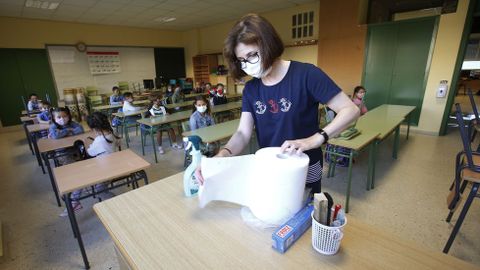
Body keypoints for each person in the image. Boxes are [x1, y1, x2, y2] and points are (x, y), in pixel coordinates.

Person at [195, 14, 359, 194]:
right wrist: (222, 155)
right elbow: (243, 133)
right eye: (242, 60)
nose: (248, 64)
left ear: (268, 45)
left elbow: (350, 110)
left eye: (252, 55)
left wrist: (315, 139)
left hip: (305, 163)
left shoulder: (306, 75)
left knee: (304, 211)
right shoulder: (251, 89)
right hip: (271, 165)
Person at [59, 112, 120, 217]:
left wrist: (87, 143)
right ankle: (74, 201)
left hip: (105, 171)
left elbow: (90, 152)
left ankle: (118, 202)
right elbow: (118, 143)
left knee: (88, 183)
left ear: (94, 129)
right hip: (111, 165)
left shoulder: (99, 140)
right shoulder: (112, 132)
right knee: (81, 176)